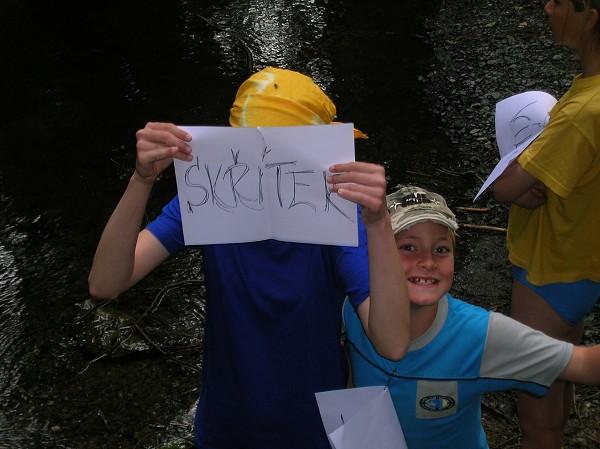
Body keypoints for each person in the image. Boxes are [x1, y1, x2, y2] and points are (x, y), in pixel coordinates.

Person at [88, 66, 410, 449]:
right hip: (229, 420)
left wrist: (378, 223)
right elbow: (105, 283)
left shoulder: (339, 218)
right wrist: (141, 180)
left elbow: (392, 342)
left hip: (312, 425)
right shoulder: (208, 198)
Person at [341, 184, 600, 449]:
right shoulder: (354, 309)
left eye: (441, 249)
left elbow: (583, 365)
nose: (428, 262)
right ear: (376, 256)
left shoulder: (478, 335)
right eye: (408, 247)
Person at [492, 1, 600, 447]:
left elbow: (505, 187)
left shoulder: (582, 111)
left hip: (550, 272)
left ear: (590, 15)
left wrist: (521, 172)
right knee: (564, 368)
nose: (547, 7)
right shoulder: (591, 91)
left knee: (537, 417)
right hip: (584, 262)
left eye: (559, 1)